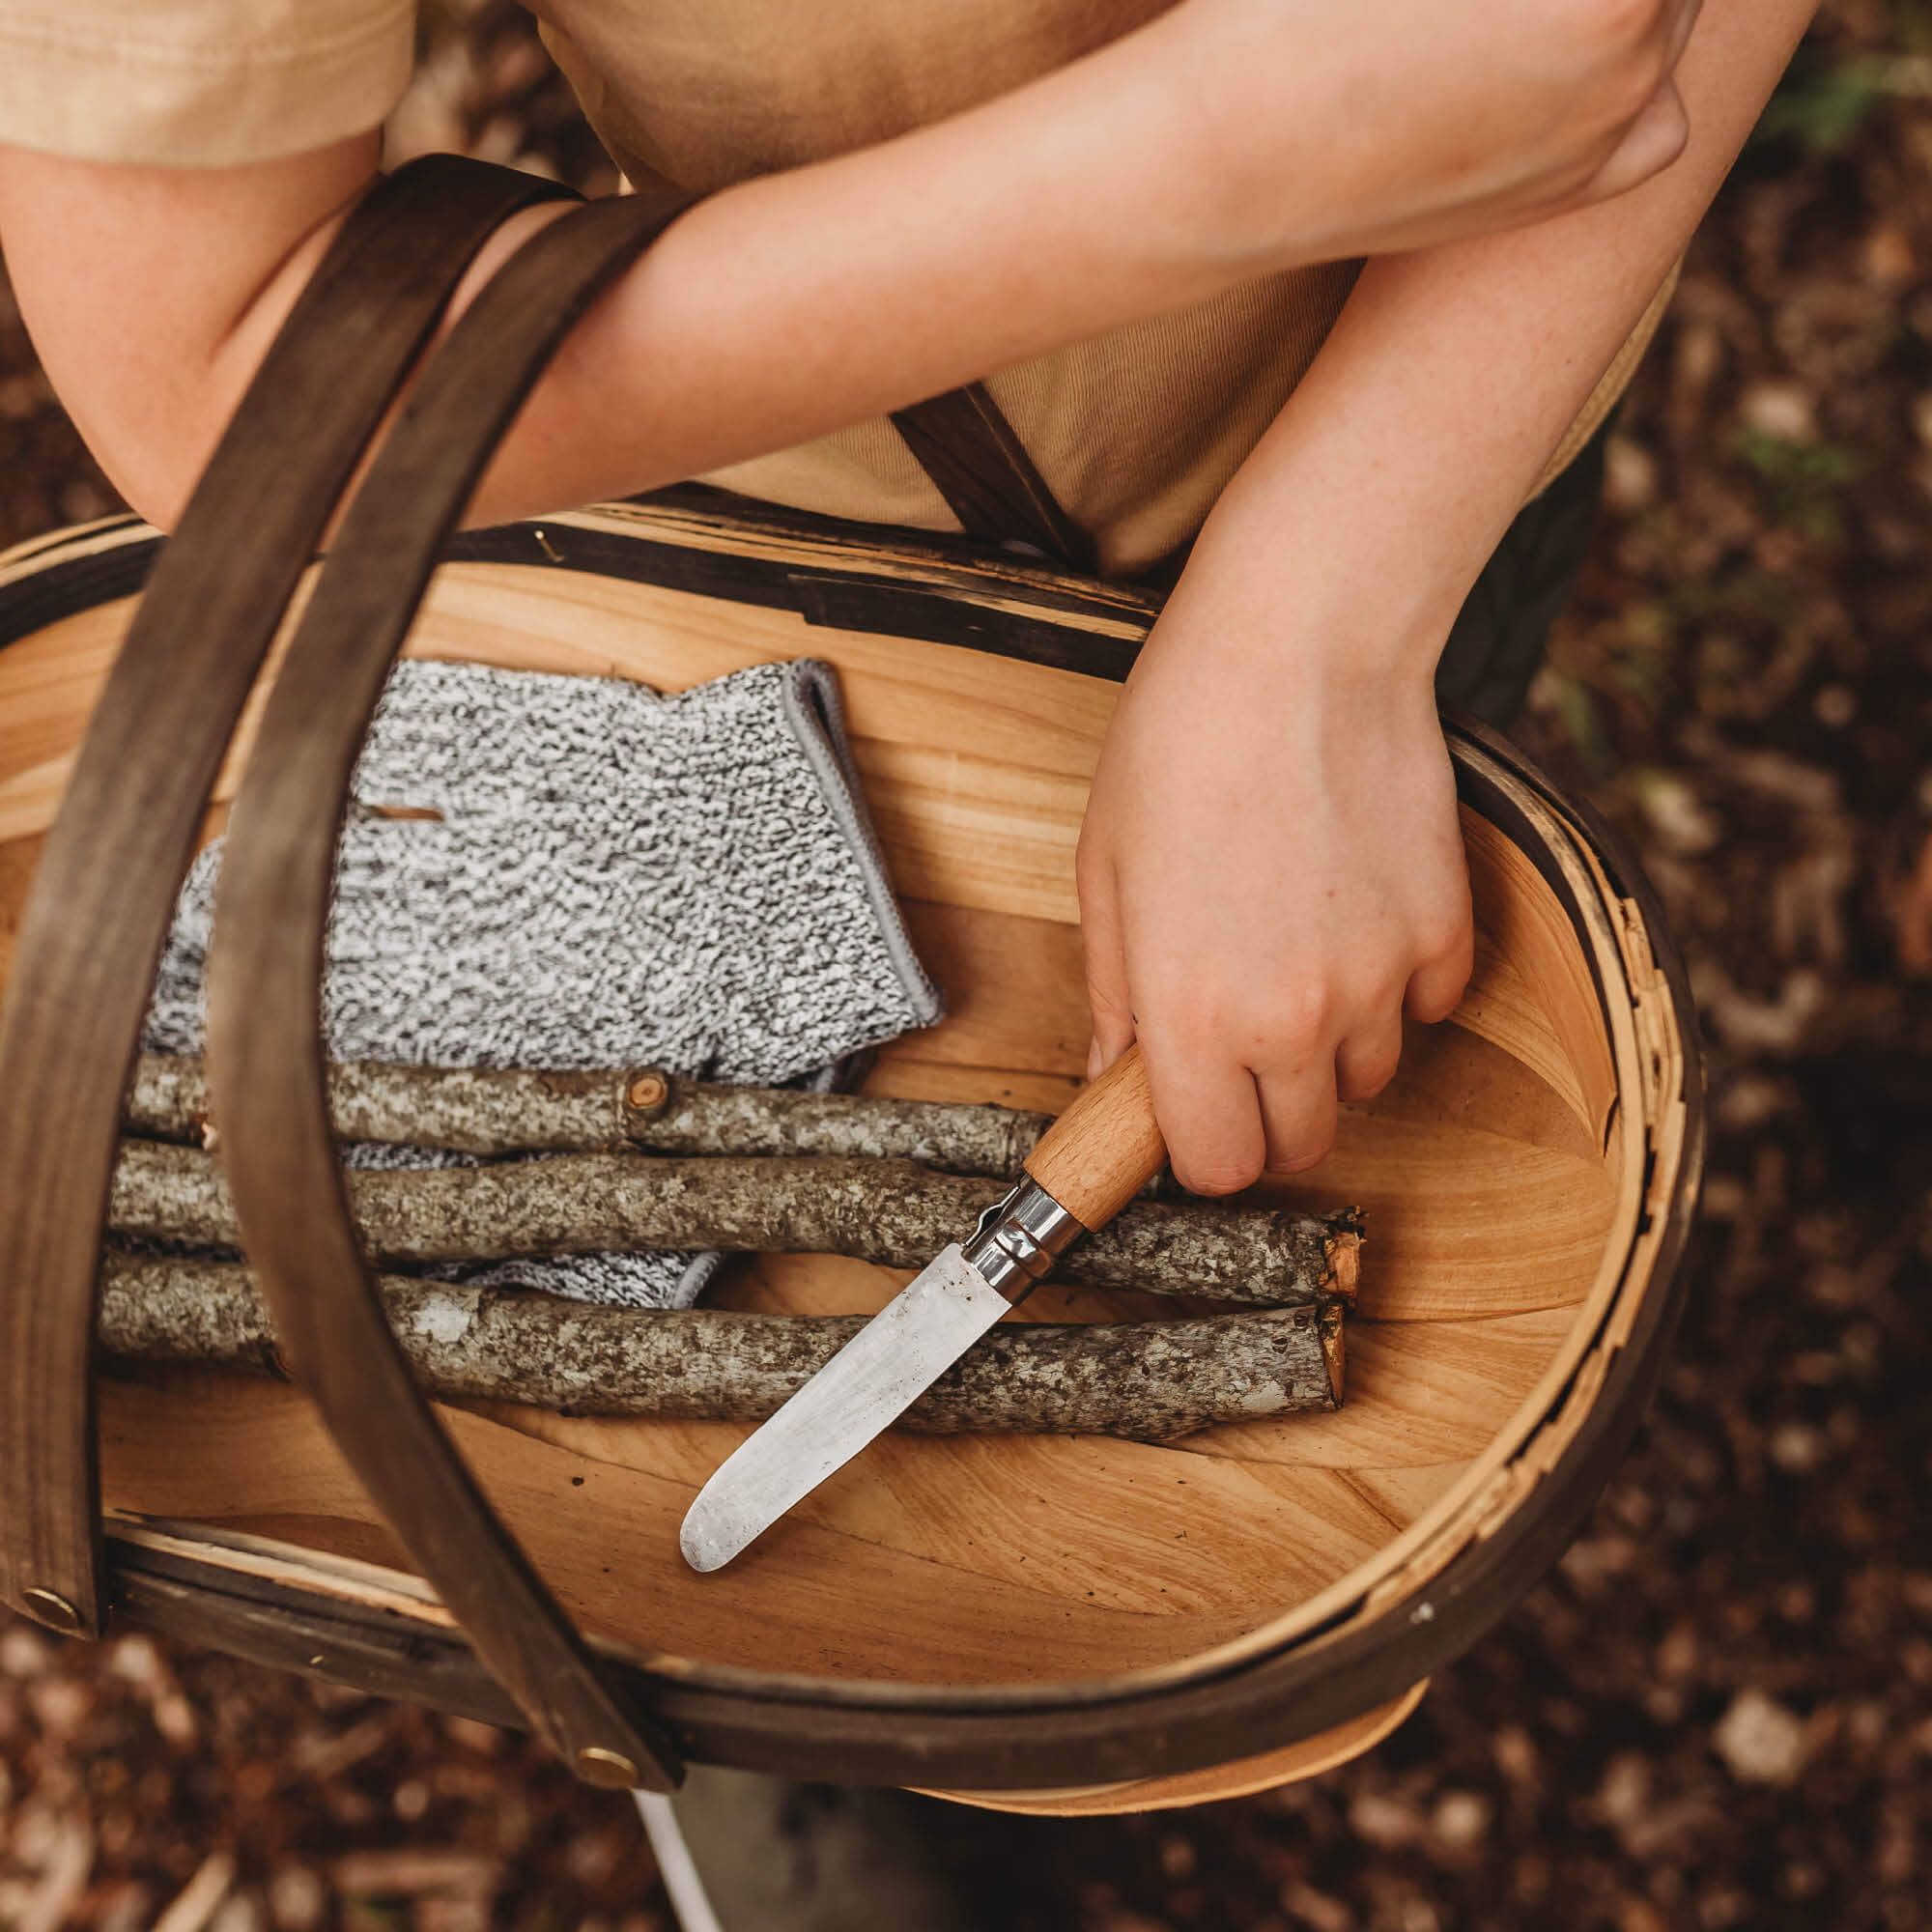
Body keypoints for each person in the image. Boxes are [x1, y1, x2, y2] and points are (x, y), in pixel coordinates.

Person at [0, 0, 1811, 1197]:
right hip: (827, 521)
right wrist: (1229, 159)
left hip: (1454, 410)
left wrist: (1331, 601)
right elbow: (218, 362)